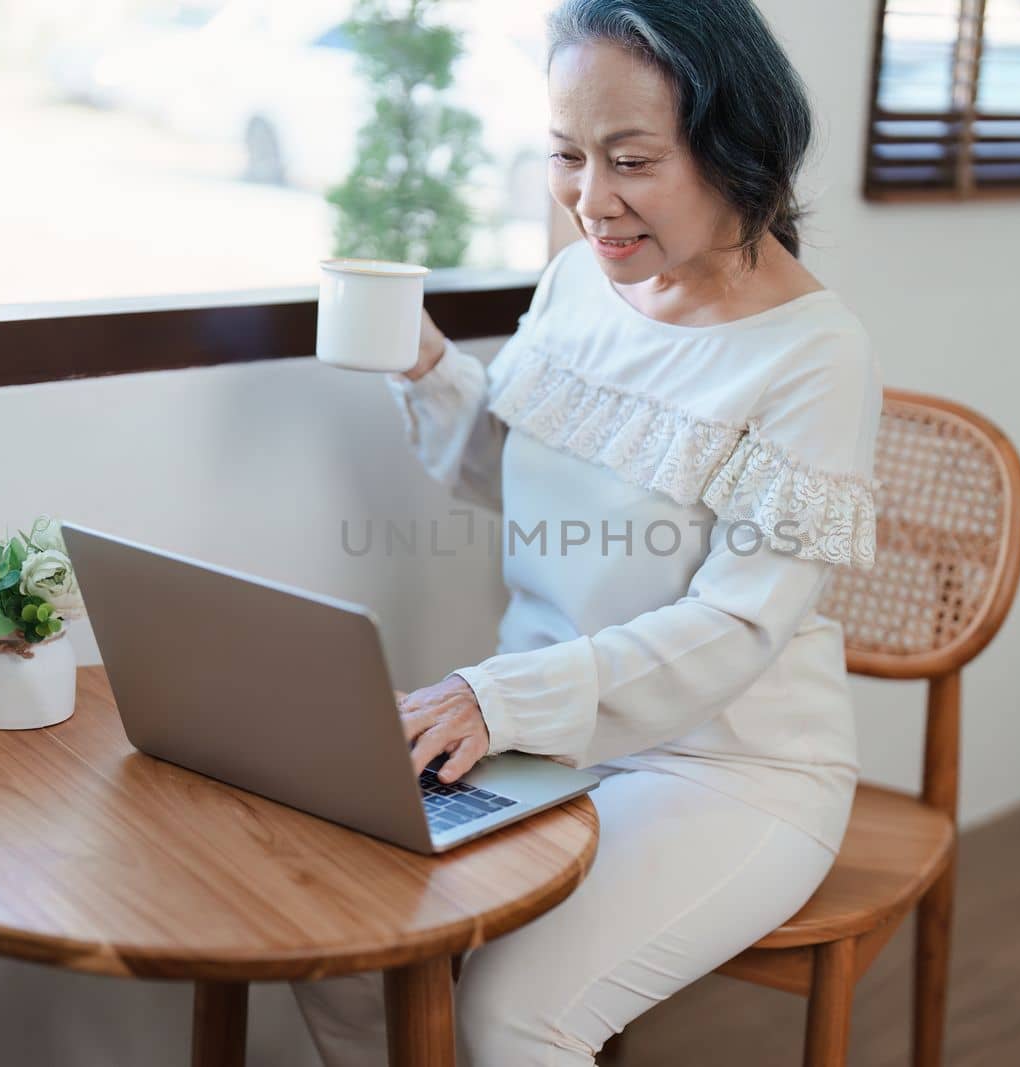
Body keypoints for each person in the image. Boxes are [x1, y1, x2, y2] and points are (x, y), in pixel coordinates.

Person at [292, 1, 882, 1062]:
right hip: (535, 733)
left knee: (511, 1014)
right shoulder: (577, 281)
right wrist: (426, 364)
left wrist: (496, 694)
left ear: (736, 148)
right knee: (343, 942)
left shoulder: (814, 354)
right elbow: (516, 478)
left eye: (631, 160)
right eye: (566, 155)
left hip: (725, 766)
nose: (589, 201)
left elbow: (737, 625)